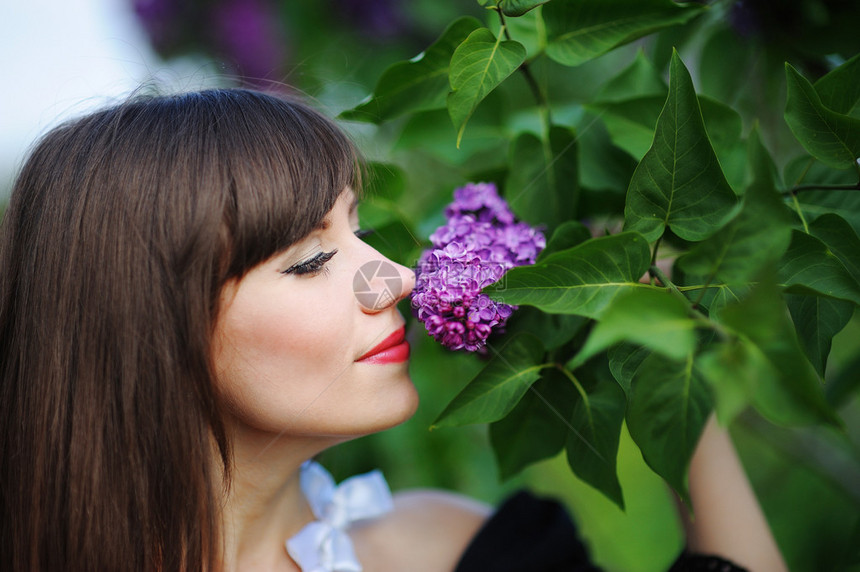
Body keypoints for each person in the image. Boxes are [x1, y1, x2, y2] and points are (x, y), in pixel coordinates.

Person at [0, 88, 787, 572]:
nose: (401, 278)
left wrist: (660, 348)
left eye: (359, 230)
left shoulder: (447, 551)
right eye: (310, 260)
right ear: (148, 326)